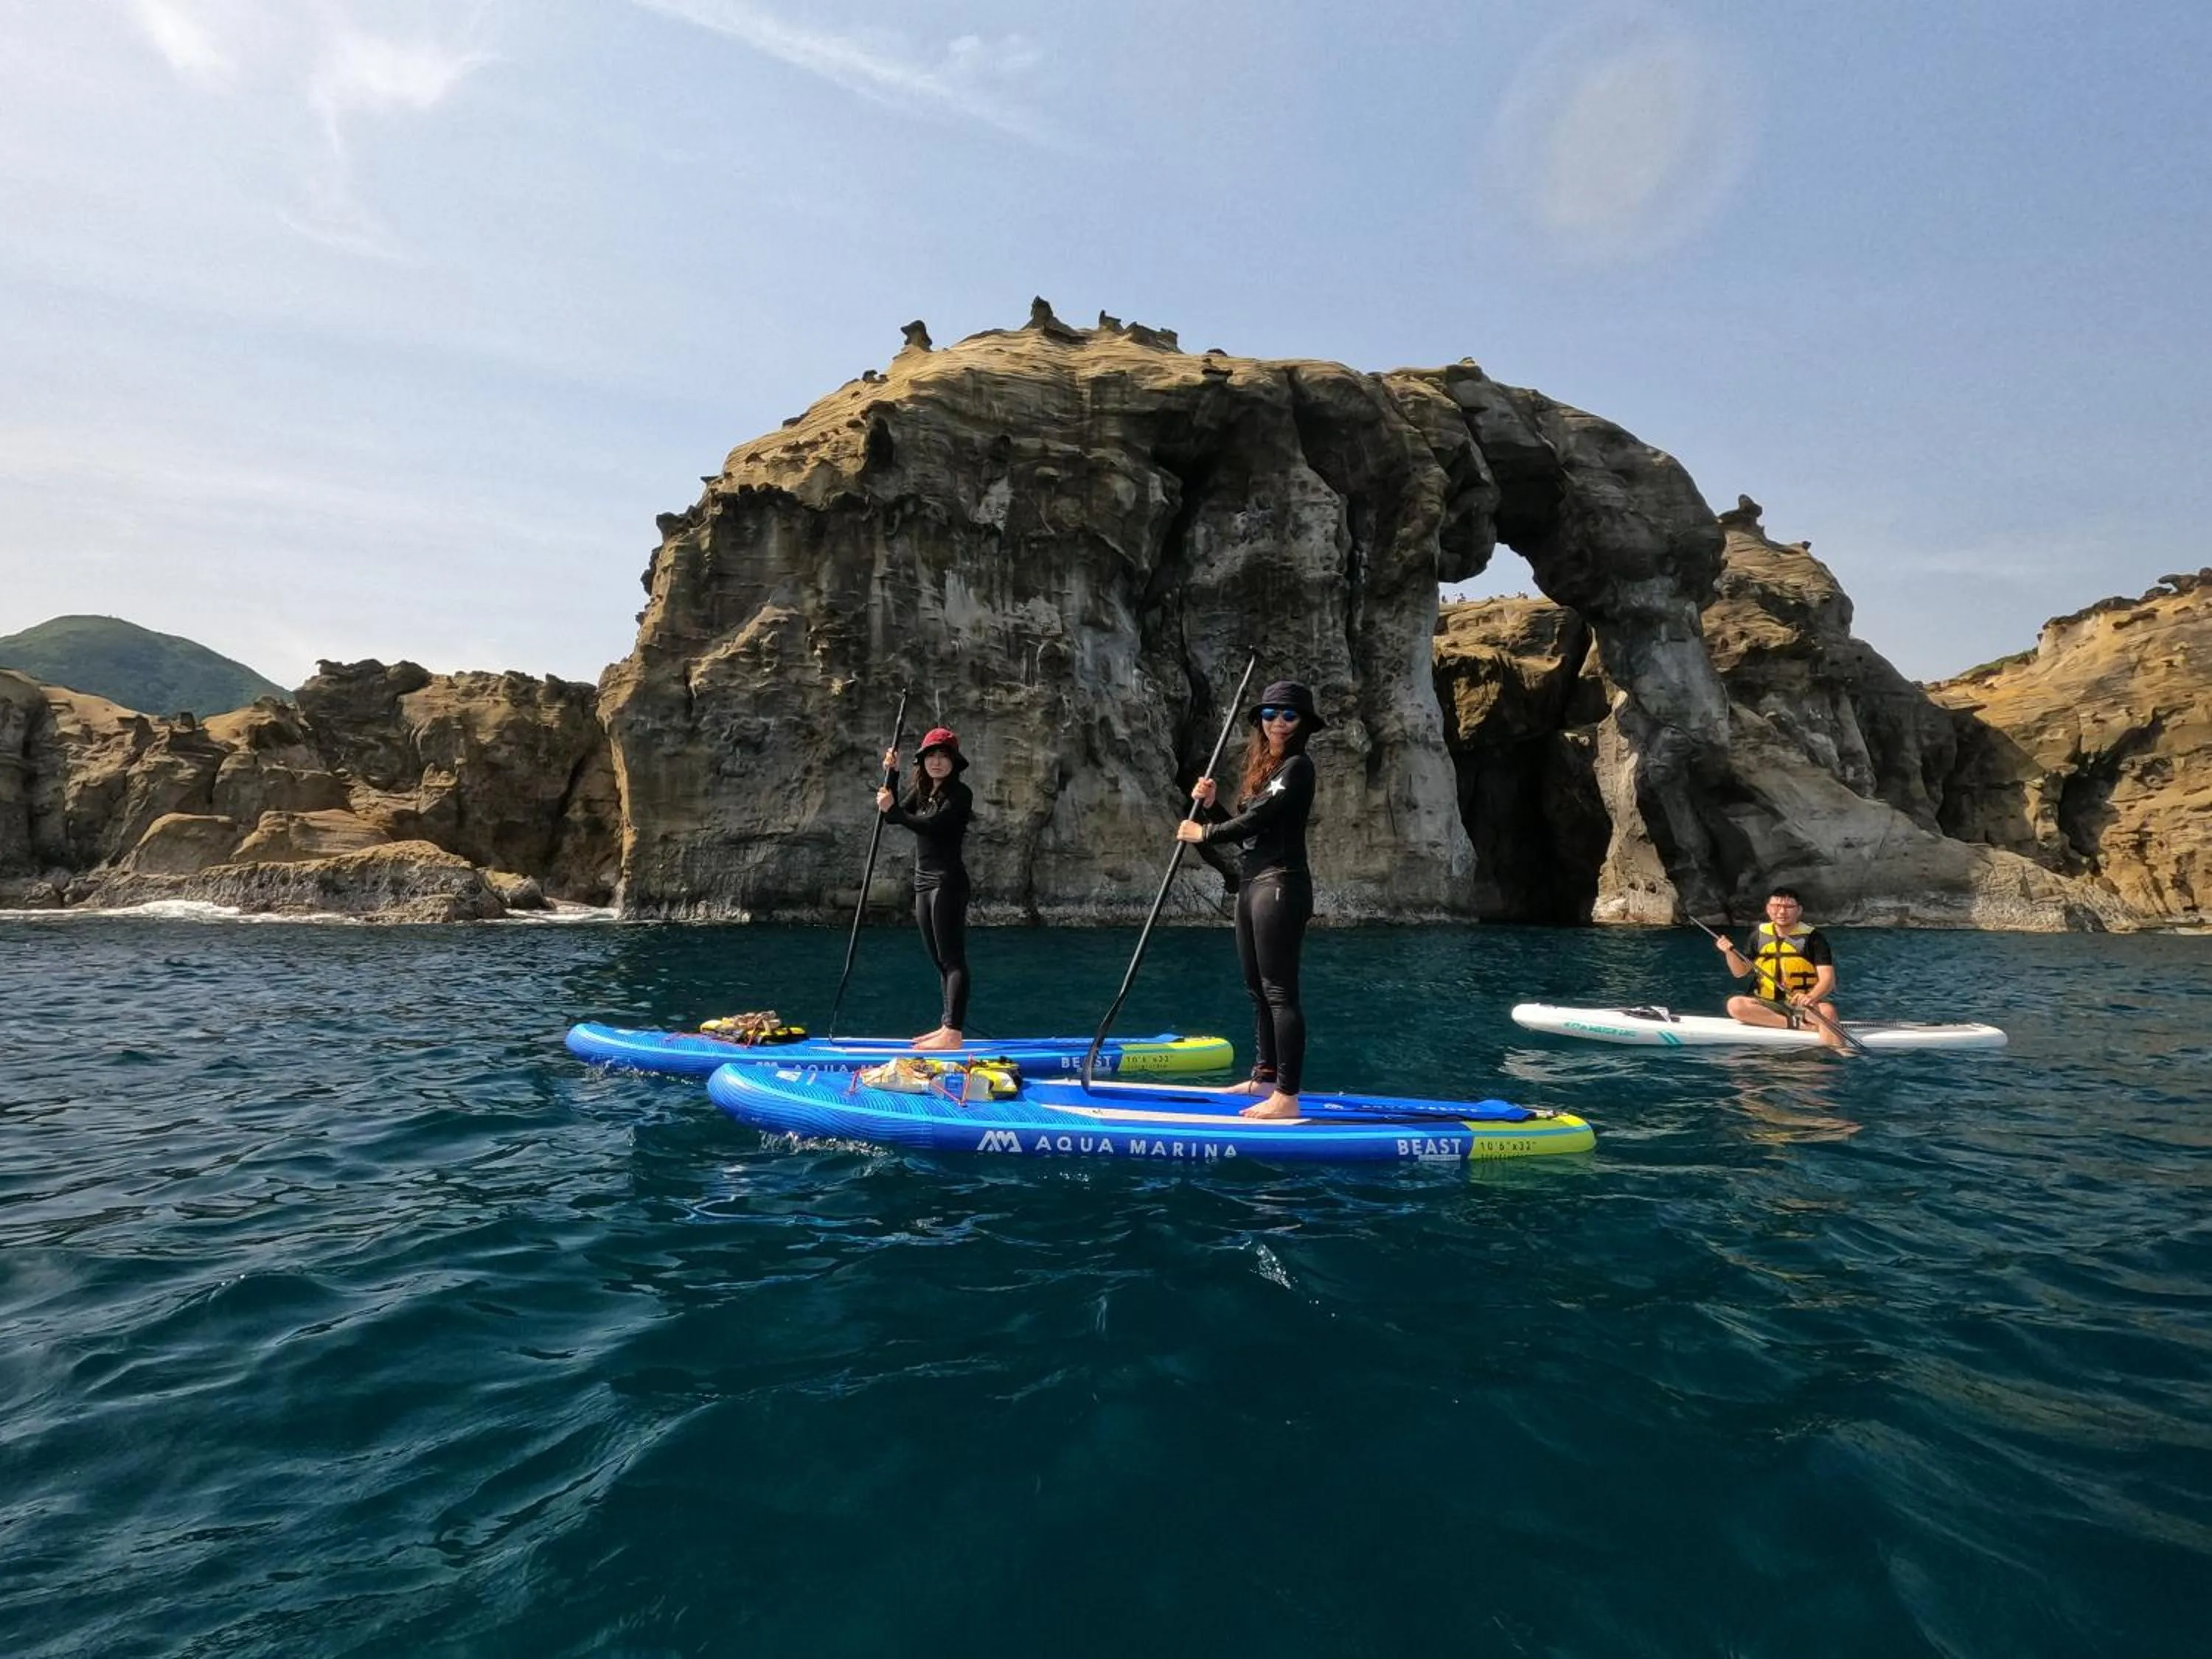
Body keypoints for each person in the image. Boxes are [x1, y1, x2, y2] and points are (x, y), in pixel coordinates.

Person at [1175, 678, 1322, 1119]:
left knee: (1279, 992)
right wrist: (1213, 808)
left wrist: (1205, 832)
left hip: (1281, 885)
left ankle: (1287, 1096)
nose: (1278, 723)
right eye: (1270, 714)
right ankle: (1265, 1078)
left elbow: (1259, 818)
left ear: (1302, 723)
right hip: (1253, 881)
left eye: (1289, 716)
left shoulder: (1297, 768)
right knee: (1257, 989)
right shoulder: (1267, 771)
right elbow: (1250, 833)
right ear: (1260, 721)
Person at [877, 726, 973, 1050]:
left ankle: (953, 1033)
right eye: (931, 756)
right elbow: (892, 814)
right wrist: (892, 774)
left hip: (948, 882)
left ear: (954, 763)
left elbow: (933, 825)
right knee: (938, 960)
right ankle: (946, 1025)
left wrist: (894, 811)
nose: (937, 762)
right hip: (922, 881)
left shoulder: (960, 794)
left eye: (944, 756)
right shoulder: (923, 791)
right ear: (923, 761)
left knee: (952, 958)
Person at [1714, 886, 1846, 1050]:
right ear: (1768, 909)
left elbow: (1828, 980)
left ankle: (1839, 1052)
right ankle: (1799, 1025)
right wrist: (1729, 952)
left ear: (1799, 910)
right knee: (1735, 1005)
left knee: (1827, 1012)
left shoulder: (1814, 939)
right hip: (1766, 1004)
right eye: (1776, 906)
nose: (1782, 912)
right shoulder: (1758, 936)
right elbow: (1740, 972)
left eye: (1789, 907)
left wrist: (1811, 996)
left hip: (1801, 1003)